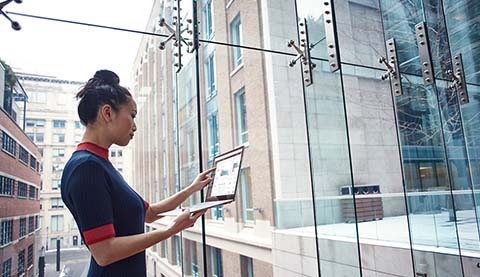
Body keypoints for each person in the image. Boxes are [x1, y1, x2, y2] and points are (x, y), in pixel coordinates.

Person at [61, 70, 214, 276]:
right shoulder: (87, 168)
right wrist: (170, 230)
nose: (135, 126)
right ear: (107, 113)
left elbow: (149, 214)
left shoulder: (100, 164)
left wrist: (192, 188)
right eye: (132, 115)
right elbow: (104, 252)